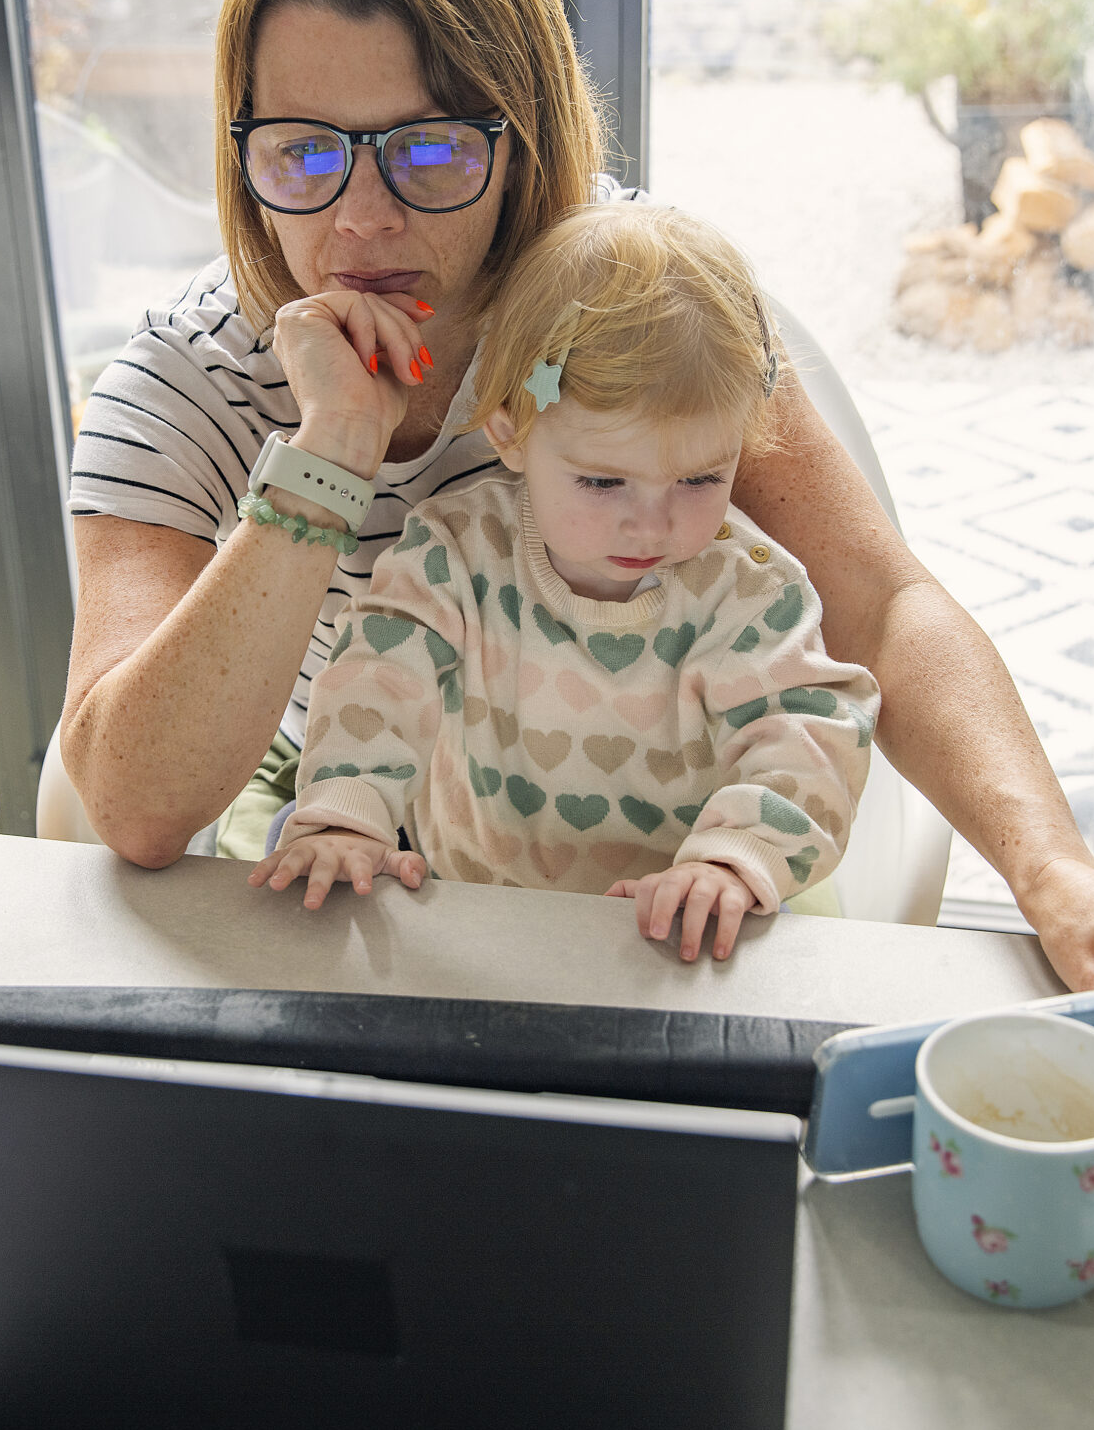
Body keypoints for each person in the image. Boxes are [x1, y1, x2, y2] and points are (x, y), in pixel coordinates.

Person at [59, 0, 1094, 1076]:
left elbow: (882, 607)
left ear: (525, 137)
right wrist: (330, 448)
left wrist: (1058, 875)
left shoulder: (632, 302)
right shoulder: (179, 382)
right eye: (300, 152)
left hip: (648, 866)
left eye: (433, 148)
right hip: (360, 857)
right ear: (242, 152)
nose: (359, 218)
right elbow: (134, 801)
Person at [252, 203, 877, 965]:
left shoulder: (746, 591)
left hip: (671, 935)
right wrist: (351, 810)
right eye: (604, 481)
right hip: (471, 914)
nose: (651, 526)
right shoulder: (455, 553)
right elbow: (377, 677)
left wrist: (733, 855)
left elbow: (809, 730)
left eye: (701, 477)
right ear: (511, 428)